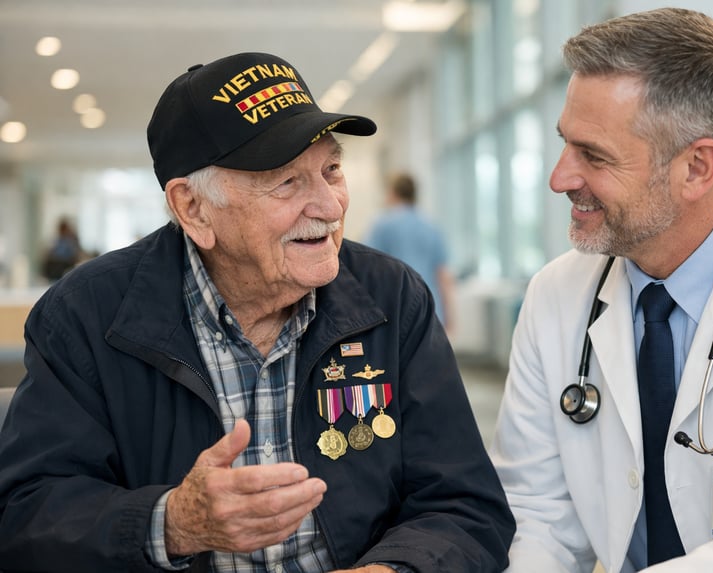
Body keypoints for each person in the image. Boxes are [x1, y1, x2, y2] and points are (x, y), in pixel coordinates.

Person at [0, 52, 514, 572]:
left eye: (331, 169)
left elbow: (466, 504)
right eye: (287, 182)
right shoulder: (85, 316)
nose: (330, 206)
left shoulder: (392, 297)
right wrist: (173, 522)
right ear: (193, 209)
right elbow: (24, 518)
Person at [491, 7, 713, 573]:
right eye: (565, 143)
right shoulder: (556, 296)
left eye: (593, 155)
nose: (559, 177)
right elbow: (539, 514)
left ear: (697, 167)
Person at [365, 173, 455, 333]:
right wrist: (450, 319)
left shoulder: (382, 225)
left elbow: (367, 269)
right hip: (430, 310)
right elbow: (443, 276)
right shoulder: (431, 226)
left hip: (395, 312)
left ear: (392, 193)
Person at [40, 217, 83, 281]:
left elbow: (76, 255)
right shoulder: (57, 241)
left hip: (66, 265)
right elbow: (51, 253)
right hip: (56, 265)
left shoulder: (71, 241)